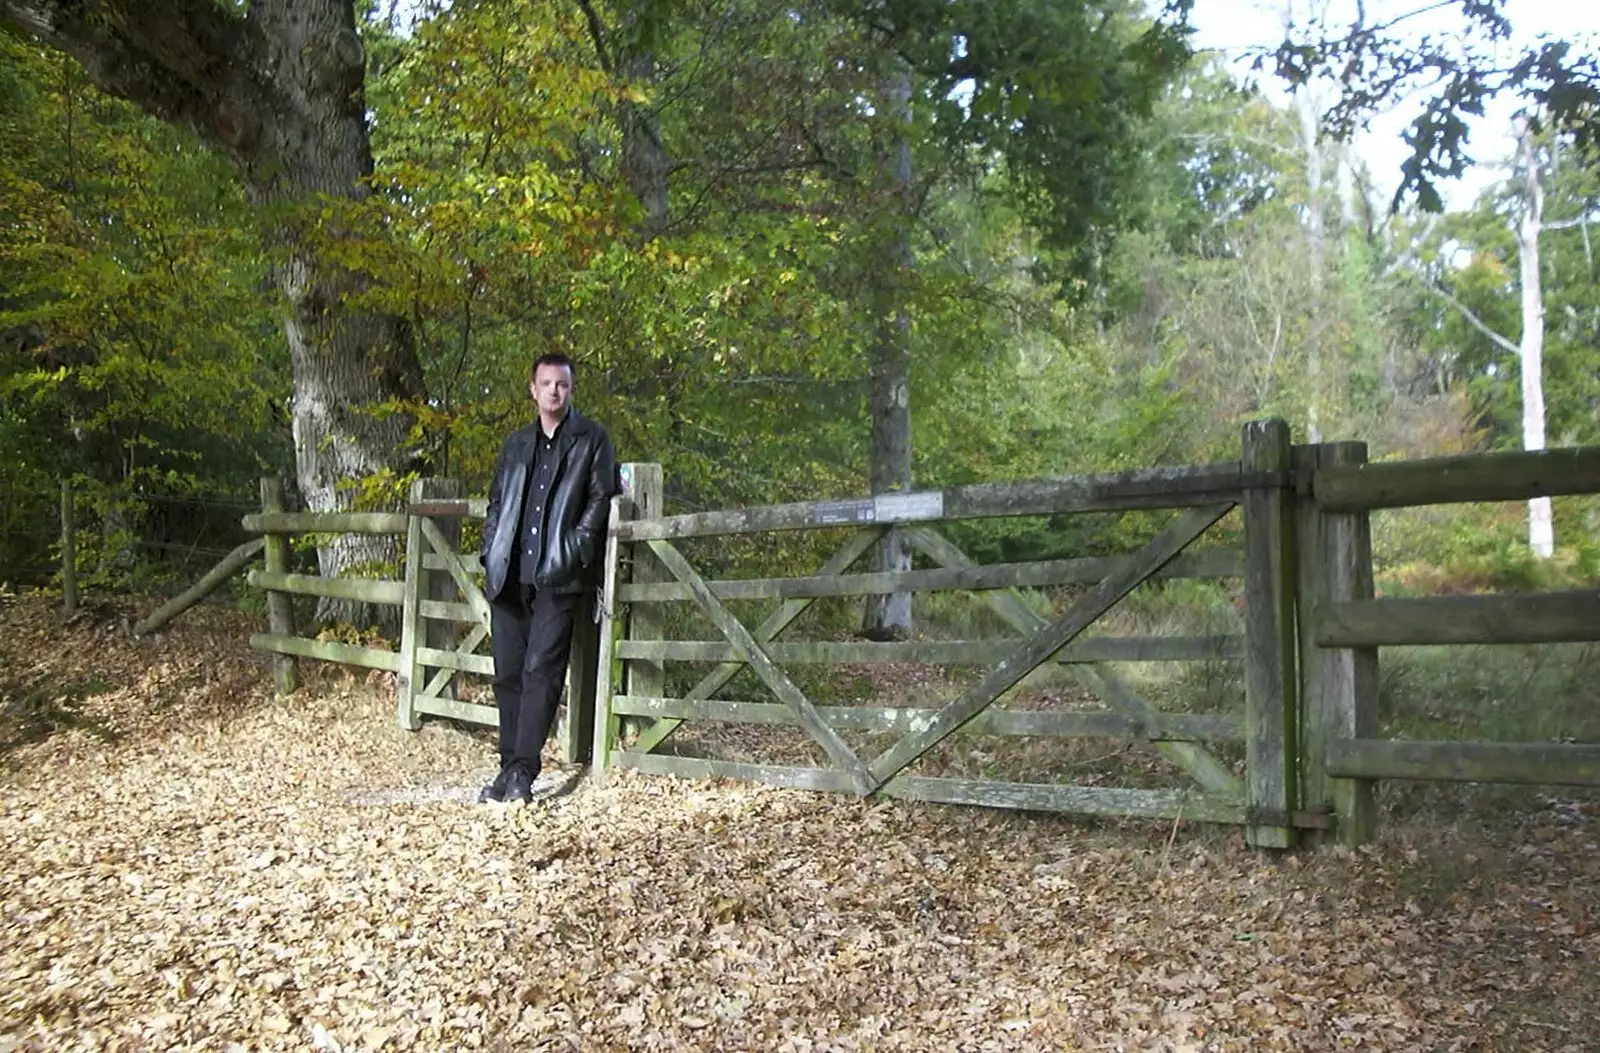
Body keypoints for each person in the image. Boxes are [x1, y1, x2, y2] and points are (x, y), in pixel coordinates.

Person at [478, 352, 618, 804]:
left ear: (570, 390)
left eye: (562, 384)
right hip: (509, 577)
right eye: (547, 383)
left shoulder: (591, 439)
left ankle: (523, 771)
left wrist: (575, 549)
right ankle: (507, 766)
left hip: (558, 577)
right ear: (532, 390)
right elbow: (497, 503)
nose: (554, 391)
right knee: (508, 675)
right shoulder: (515, 444)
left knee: (542, 673)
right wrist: (490, 552)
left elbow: (600, 500)